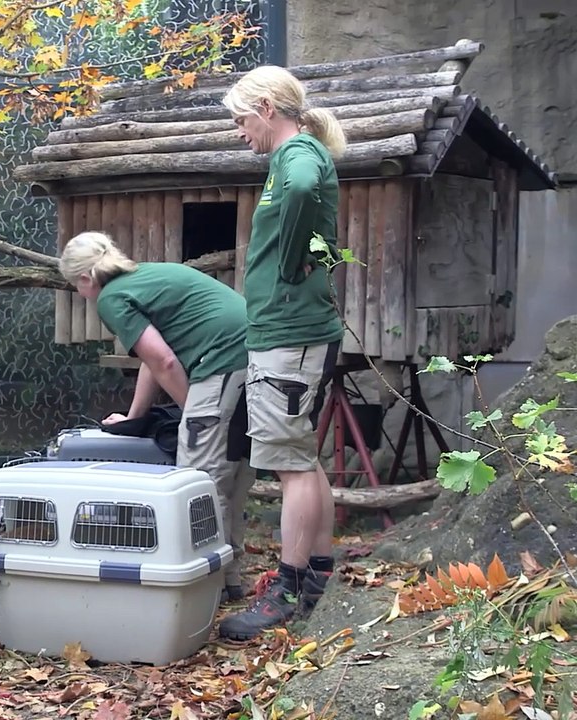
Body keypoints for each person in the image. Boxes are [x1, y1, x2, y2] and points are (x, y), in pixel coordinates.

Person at [214, 65, 348, 641]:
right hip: (294, 330)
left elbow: (296, 194)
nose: (240, 131)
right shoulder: (303, 154)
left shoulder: (295, 157)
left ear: (267, 108)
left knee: (289, 465)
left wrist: (291, 263)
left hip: (288, 333)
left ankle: (288, 590)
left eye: (241, 119)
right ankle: (317, 574)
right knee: (303, 457)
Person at [59, 231, 253, 603]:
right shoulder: (144, 277)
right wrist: (133, 419)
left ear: (85, 279)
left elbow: (164, 362)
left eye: (76, 287)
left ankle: (208, 585)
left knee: (200, 478)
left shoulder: (111, 297)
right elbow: (154, 359)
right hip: (253, 353)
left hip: (222, 360)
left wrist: (191, 414)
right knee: (234, 470)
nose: (81, 295)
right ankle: (230, 578)